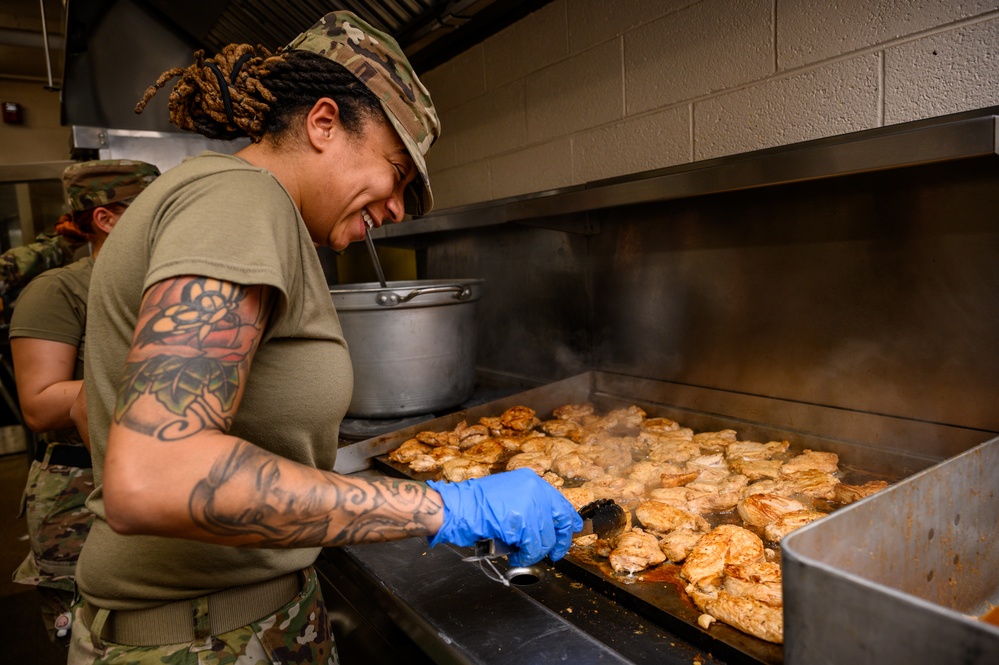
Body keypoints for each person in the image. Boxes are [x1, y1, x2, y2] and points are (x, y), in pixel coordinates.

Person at [68, 11, 581, 663]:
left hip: (226, 623)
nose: (399, 207)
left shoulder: (248, 209)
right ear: (323, 122)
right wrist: (443, 506)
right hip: (199, 640)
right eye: (397, 170)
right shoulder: (239, 205)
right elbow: (157, 476)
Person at [9, 160, 160, 644]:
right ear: (106, 219)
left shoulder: (159, 285)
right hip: (77, 493)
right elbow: (38, 403)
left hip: (146, 484)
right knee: (87, 634)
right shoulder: (58, 290)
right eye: (150, 210)